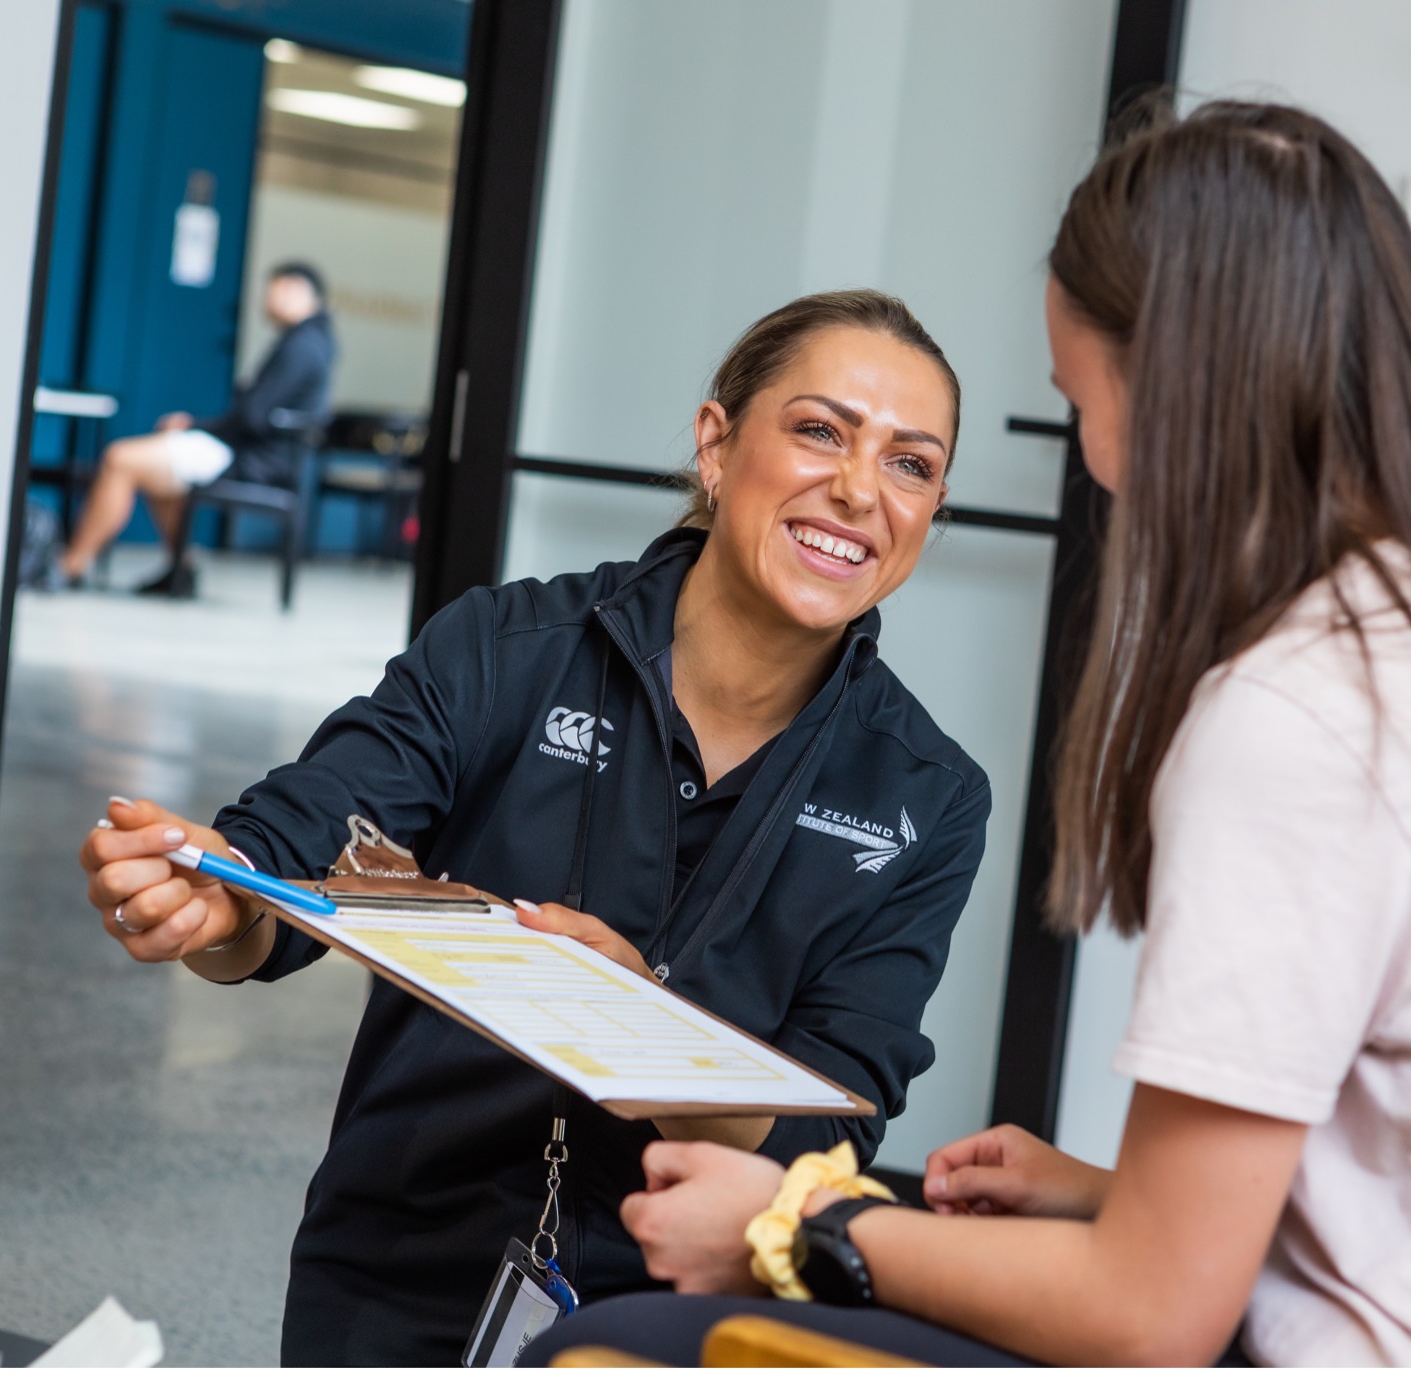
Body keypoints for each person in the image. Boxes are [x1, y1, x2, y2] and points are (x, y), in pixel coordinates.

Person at [523, 100, 1411, 1367]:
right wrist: (1105, 1195)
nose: (1095, 463)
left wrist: (798, 1222)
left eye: (1081, 403)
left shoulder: (1306, 707)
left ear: (1176, 393)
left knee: (617, 1343)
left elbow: (1149, 1318)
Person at [78, 289, 993, 1365]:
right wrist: (212, 898)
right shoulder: (508, 647)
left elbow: (830, 1131)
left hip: (689, 1304)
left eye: (910, 463)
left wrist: (645, 1029)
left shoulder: (928, 794)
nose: (856, 489)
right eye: (819, 431)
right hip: (404, 1258)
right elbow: (297, 853)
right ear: (715, 443)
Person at [56, 261, 337, 595]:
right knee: (157, 471)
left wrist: (195, 425)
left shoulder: (301, 347)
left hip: (252, 460)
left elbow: (251, 416)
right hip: (256, 453)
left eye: (272, 291)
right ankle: (181, 568)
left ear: (295, 290)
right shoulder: (313, 343)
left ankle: (69, 565)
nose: (266, 301)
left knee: (121, 459)